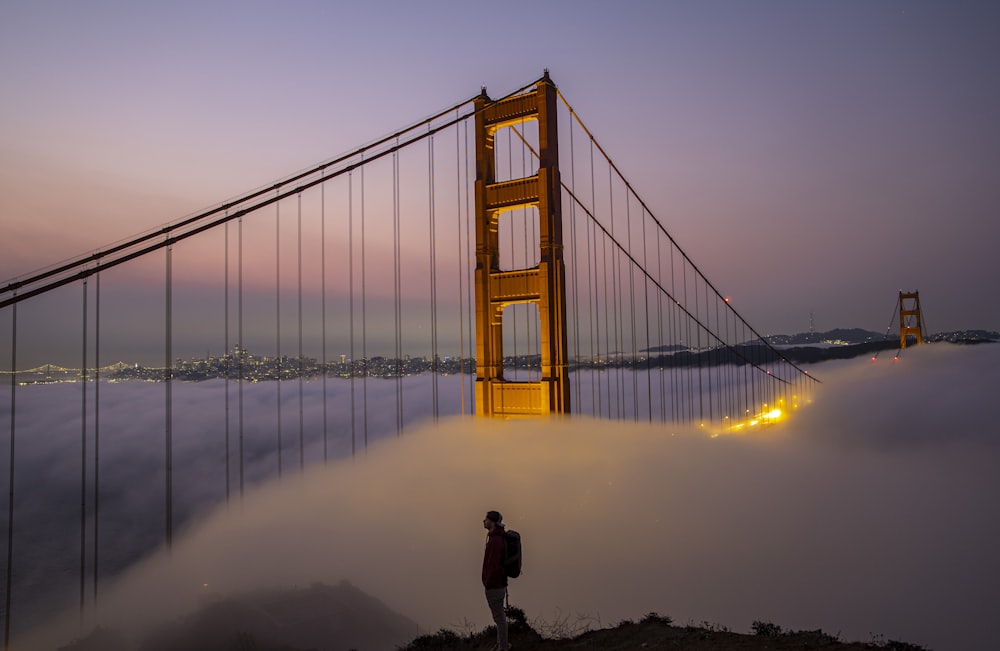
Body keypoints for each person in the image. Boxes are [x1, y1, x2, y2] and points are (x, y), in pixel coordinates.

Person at [482, 510, 509, 651]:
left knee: (499, 619)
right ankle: (500, 644)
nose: (483, 521)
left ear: (491, 522)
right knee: (500, 617)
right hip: (499, 584)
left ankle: (503, 647)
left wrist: (487, 583)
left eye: (486, 519)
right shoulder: (497, 537)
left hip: (494, 585)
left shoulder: (495, 541)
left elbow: (493, 566)